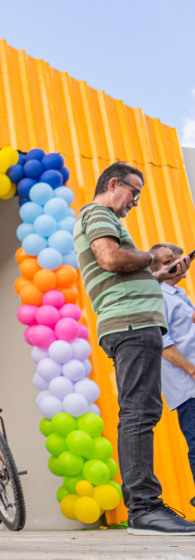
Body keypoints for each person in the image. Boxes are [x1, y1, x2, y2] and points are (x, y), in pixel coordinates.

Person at [73, 162, 195, 535]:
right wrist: (148, 257)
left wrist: (156, 274)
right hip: (131, 324)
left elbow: (118, 269)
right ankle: (144, 508)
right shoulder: (97, 212)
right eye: (134, 193)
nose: (136, 203)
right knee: (140, 413)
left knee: (140, 411)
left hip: (130, 323)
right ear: (114, 184)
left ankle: (144, 507)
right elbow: (110, 258)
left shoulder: (99, 216)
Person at [149, 243, 195, 509]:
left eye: (179, 256)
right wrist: (192, 371)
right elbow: (164, 344)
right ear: (159, 269)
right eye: (170, 259)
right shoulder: (159, 295)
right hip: (187, 387)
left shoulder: (178, 294)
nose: (180, 261)